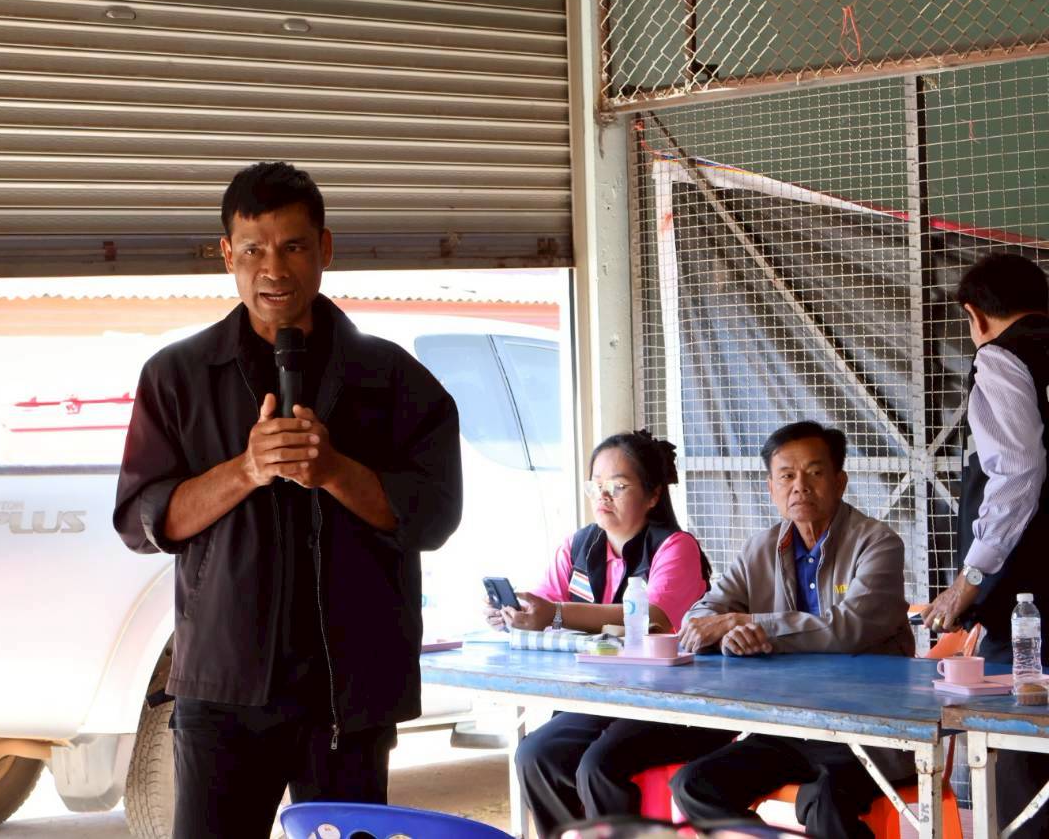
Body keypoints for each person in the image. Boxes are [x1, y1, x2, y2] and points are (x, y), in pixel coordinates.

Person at [113, 161, 463, 839]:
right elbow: (139, 519)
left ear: (324, 248)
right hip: (223, 691)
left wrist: (334, 470)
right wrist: (247, 469)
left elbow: (434, 515)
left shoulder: (392, 377)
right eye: (253, 250)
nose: (273, 269)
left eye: (293, 246)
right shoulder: (177, 377)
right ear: (228, 255)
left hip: (349, 694)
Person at [670, 421, 914, 839]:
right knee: (694, 786)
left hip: (869, 729)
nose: (800, 486)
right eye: (786, 476)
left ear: (840, 482)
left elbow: (850, 627)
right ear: (771, 488)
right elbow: (702, 615)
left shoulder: (878, 543)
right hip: (790, 726)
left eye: (814, 472)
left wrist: (750, 624)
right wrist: (727, 633)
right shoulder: (759, 548)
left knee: (827, 802)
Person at [500, 431, 717, 837]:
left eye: (617, 486)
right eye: (596, 486)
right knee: (535, 755)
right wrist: (518, 613)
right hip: (598, 695)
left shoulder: (675, 547)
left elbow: (654, 617)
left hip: (665, 701)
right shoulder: (578, 546)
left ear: (653, 495)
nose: (603, 496)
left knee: (598, 767)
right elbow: (544, 604)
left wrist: (557, 613)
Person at [920, 253, 1049, 837]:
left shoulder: (1001, 357)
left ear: (973, 315)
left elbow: (1017, 470)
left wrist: (970, 578)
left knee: (1021, 759)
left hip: (1031, 600)